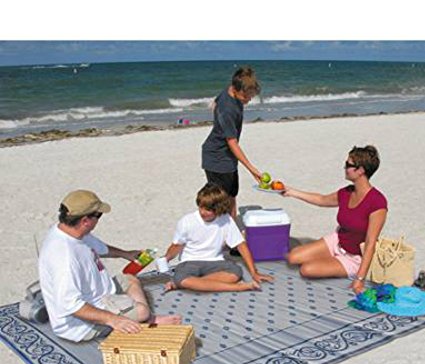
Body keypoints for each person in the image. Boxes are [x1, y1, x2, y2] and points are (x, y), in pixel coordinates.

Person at [38, 190, 182, 343]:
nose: (99, 219)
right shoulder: (64, 258)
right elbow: (71, 306)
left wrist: (126, 254)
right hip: (80, 325)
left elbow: (100, 248)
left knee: (129, 279)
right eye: (98, 215)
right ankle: (147, 320)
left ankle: (137, 314)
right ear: (85, 220)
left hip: (99, 293)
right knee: (142, 312)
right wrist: (113, 320)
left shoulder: (71, 231)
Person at [283, 145, 388, 295]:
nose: (344, 167)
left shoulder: (377, 202)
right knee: (293, 257)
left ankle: (335, 262)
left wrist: (360, 279)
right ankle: (330, 258)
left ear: (360, 170)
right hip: (338, 241)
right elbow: (321, 199)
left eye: (348, 164)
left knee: (306, 269)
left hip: (354, 257)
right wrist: (291, 192)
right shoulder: (347, 192)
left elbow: (371, 243)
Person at [163, 183, 273, 293]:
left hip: (215, 262)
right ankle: (238, 287)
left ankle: (186, 284)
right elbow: (176, 246)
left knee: (235, 273)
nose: (202, 212)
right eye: (201, 207)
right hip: (190, 262)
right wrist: (165, 259)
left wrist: (254, 272)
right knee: (181, 276)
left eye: (208, 210)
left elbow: (241, 245)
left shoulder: (225, 220)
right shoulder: (187, 221)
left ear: (219, 209)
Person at [201, 66, 263, 221]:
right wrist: (252, 169)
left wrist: (219, 125)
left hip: (227, 155)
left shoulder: (230, 90)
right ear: (235, 90)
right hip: (217, 157)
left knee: (232, 194)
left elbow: (214, 103)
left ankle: (232, 227)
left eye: (250, 96)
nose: (248, 100)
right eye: (245, 97)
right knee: (221, 200)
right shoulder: (227, 109)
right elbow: (232, 142)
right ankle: (224, 229)